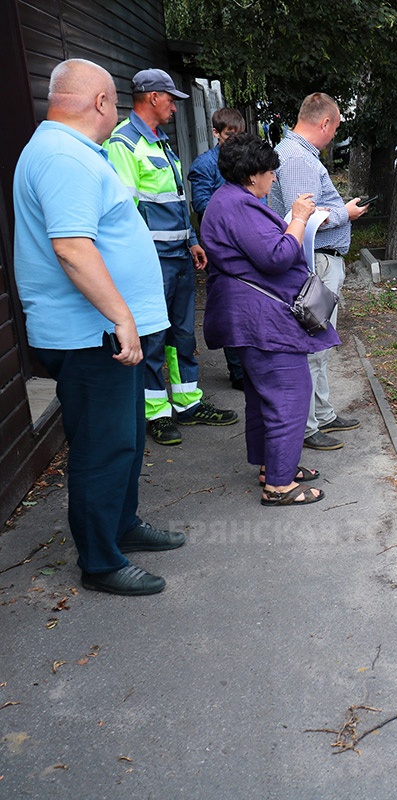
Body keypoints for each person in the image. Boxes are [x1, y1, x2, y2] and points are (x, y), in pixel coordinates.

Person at [13, 58, 186, 595]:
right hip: (93, 337)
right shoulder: (64, 157)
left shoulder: (69, 151)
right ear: (102, 103)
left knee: (127, 439)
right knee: (102, 448)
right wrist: (122, 316)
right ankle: (100, 562)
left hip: (104, 334)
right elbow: (71, 247)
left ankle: (122, 527)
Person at [201, 132, 341, 505]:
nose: (274, 179)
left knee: (264, 397)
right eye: (269, 173)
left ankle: (273, 465)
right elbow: (276, 256)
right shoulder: (239, 205)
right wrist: (298, 220)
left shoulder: (229, 200)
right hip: (261, 320)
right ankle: (279, 486)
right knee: (289, 395)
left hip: (251, 316)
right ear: (252, 176)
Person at [104, 68, 237, 446]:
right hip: (151, 263)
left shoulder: (161, 142)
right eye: (171, 100)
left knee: (182, 335)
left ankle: (189, 403)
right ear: (152, 97)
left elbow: (176, 200)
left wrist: (193, 239)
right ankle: (157, 414)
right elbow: (123, 213)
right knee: (153, 338)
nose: (176, 108)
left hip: (178, 256)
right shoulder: (124, 144)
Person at [268, 92, 367, 451]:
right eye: (335, 128)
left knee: (320, 344)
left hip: (322, 259)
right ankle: (308, 426)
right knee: (311, 344)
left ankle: (322, 414)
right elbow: (302, 218)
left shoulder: (297, 154)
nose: (334, 136)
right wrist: (346, 213)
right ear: (324, 123)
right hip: (316, 261)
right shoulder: (296, 158)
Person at [188, 107, 247, 391]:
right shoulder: (204, 165)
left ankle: (249, 367)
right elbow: (201, 204)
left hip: (247, 244)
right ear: (215, 133)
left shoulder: (244, 161)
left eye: (239, 135)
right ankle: (238, 373)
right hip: (220, 248)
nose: (234, 141)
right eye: (228, 136)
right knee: (229, 308)